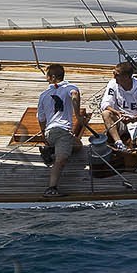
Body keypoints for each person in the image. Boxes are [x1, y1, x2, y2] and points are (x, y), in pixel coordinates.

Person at [37, 63, 83, 198]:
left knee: (78, 145)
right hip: (62, 131)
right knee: (61, 160)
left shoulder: (43, 95)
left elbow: (41, 118)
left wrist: (43, 135)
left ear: (52, 77)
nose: (46, 78)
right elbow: (74, 95)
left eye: (46, 75)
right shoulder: (71, 88)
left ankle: (50, 149)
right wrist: (78, 116)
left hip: (50, 132)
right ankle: (51, 188)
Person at [100, 61, 137, 158]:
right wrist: (117, 112)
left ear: (126, 77)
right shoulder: (113, 84)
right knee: (106, 114)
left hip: (136, 120)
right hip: (120, 119)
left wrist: (133, 119)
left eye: (117, 74)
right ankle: (119, 143)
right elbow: (105, 104)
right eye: (114, 73)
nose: (114, 76)